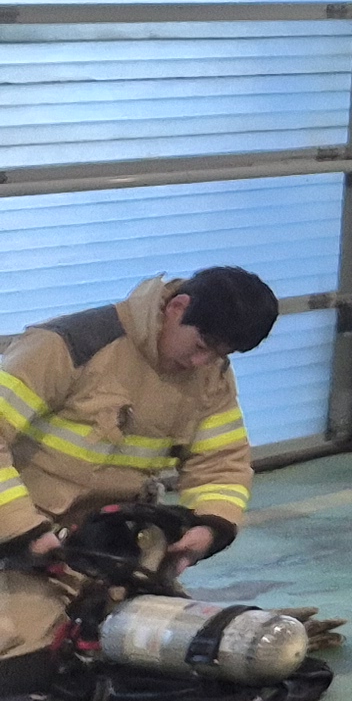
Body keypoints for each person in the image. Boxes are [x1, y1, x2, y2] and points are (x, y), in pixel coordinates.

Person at [0, 267, 273, 675]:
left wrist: (210, 527)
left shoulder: (209, 375)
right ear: (177, 308)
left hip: (111, 549)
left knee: (176, 649)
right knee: (27, 658)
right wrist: (24, 532)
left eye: (220, 355)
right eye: (200, 346)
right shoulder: (70, 346)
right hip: (21, 544)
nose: (202, 362)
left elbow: (221, 463)